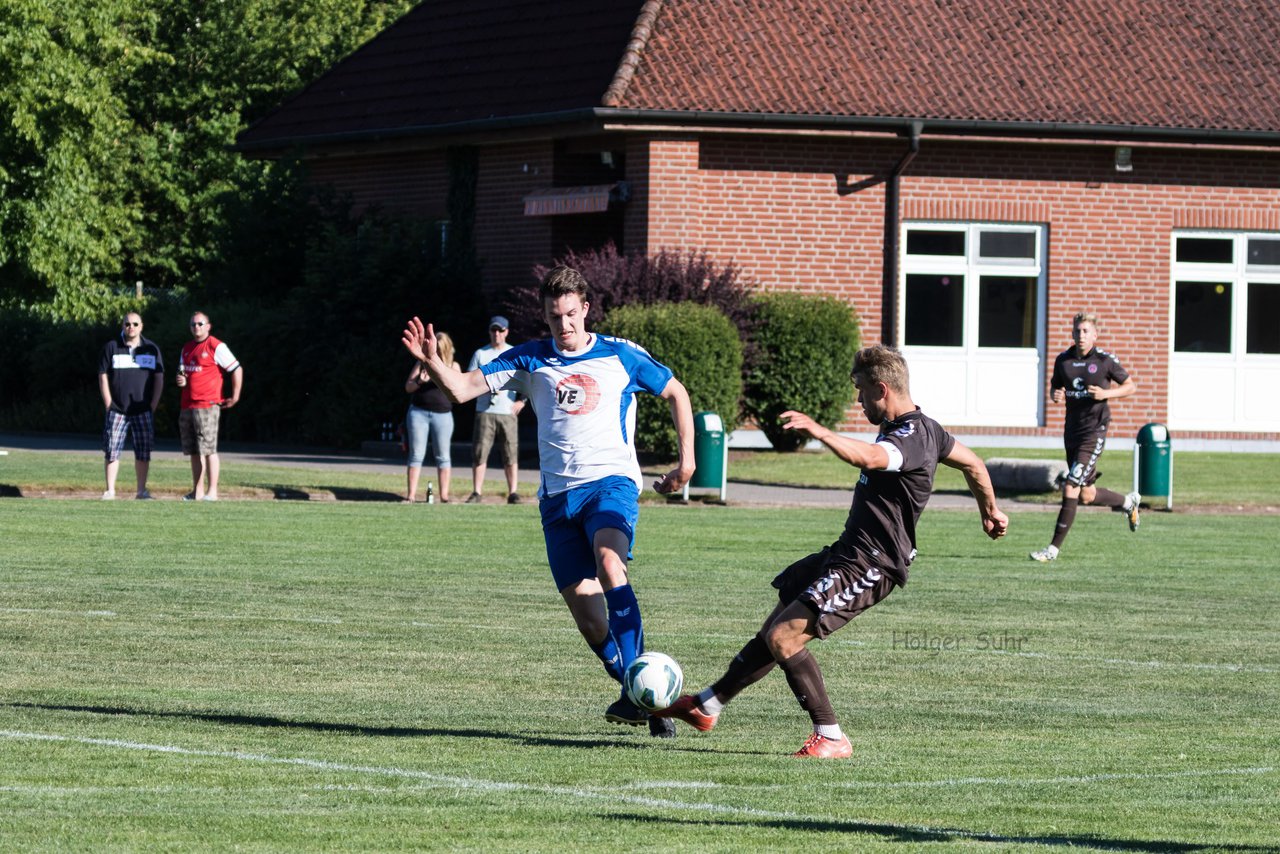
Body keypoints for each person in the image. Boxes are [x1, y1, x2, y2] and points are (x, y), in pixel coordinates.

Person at [654, 344, 1009, 758]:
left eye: (861, 392)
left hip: (872, 563)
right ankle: (706, 706)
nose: (858, 402)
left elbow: (873, 457)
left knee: (784, 638)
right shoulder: (929, 429)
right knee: (778, 621)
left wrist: (821, 433)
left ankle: (831, 735)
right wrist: (991, 511)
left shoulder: (909, 437)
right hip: (846, 552)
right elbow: (973, 463)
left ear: (882, 388)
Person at [401, 265, 695, 738]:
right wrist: (433, 361)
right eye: (555, 316)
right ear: (545, 315)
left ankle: (645, 696)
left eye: (572, 314)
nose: (565, 325)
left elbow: (676, 392)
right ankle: (639, 693)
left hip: (610, 484)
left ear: (586, 309)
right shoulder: (528, 359)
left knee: (609, 564)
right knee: (588, 618)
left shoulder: (621, 356)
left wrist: (687, 463)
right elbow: (460, 390)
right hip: (558, 502)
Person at [1030, 312, 1140, 563]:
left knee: (1071, 486)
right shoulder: (1063, 360)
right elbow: (1055, 388)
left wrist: (1105, 394)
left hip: (1095, 431)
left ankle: (1052, 550)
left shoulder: (1104, 361)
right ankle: (1127, 503)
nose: (1081, 335)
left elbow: (1131, 386)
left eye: (1086, 331)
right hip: (1072, 432)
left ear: (1095, 334)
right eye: (1077, 331)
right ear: (1072, 333)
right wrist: (1055, 395)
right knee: (1086, 494)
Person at [175, 311, 242, 502]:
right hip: (187, 404)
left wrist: (235, 396)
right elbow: (183, 374)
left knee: (209, 449)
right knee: (194, 451)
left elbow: (236, 368)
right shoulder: (186, 348)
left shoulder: (216, 346)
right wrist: (181, 381)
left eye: (200, 324)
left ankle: (212, 492)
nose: (196, 327)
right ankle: (197, 491)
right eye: (193, 324)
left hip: (207, 404)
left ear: (208, 326)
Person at [97, 312, 165, 500]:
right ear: (122, 325)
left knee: (143, 451)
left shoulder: (152, 349)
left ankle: (141, 491)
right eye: (127, 324)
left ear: (141, 326)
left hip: (143, 409)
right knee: (112, 449)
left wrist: (153, 405)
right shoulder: (111, 347)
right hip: (117, 409)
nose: (131, 327)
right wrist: (108, 402)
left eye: (135, 324)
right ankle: (110, 490)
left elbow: (159, 378)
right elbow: (102, 375)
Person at [465, 316, 526, 504]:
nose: (497, 334)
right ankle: (476, 492)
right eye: (494, 330)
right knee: (480, 451)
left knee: (510, 452)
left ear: (506, 332)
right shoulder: (481, 354)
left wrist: (521, 402)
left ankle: (513, 492)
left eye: (500, 330)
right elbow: (469, 380)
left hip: (507, 411)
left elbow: (527, 381)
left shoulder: (514, 352)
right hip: (485, 410)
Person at [404, 330, 459, 503]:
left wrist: (440, 376)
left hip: (443, 415)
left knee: (443, 456)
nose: (438, 353)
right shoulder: (422, 363)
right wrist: (420, 380)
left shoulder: (453, 366)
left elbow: (458, 390)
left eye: (441, 350)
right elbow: (408, 387)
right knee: (416, 454)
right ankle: (411, 495)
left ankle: (444, 496)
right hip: (419, 413)